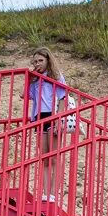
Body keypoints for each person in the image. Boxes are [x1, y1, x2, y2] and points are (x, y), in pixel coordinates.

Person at [23, 48, 67, 203]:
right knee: (45, 159)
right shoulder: (35, 79)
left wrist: (59, 119)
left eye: (40, 60)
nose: (37, 64)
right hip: (39, 116)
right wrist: (29, 78)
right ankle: (45, 192)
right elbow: (25, 96)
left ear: (48, 60)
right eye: (35, 61)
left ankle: (53, 194)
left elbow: (62, 97)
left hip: (53, 114)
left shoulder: (56, 76)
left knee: (54, 157)